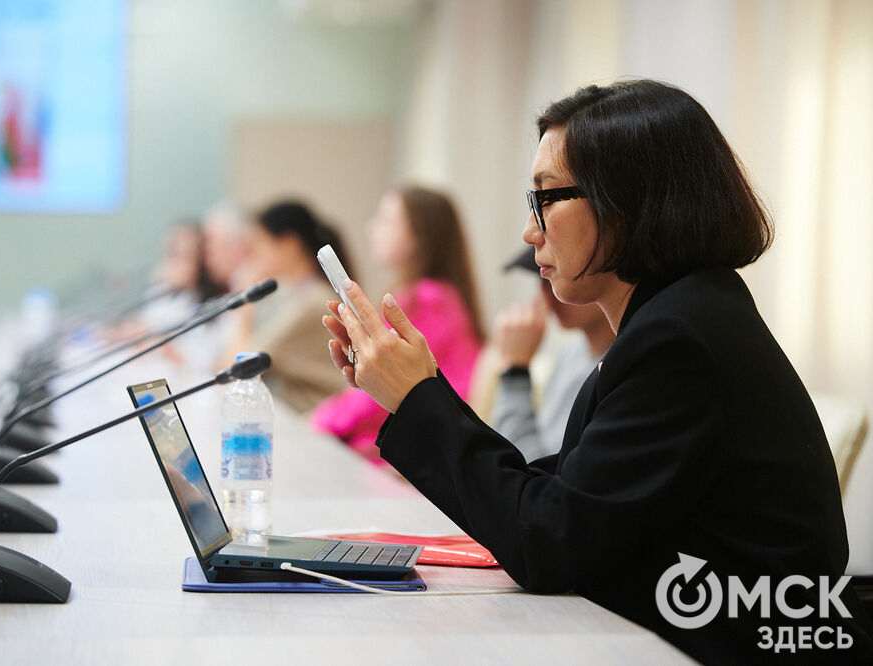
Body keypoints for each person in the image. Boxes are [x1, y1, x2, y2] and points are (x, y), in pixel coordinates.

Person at [320, 80, 873, 663]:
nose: (530, 230)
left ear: (626, 202)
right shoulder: (685, 314)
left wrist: (416, 398)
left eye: (547, 198)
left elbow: (550, 539)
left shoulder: (678, 338)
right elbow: (563, 496)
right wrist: (421, 388)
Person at [310, 186, 483, 464]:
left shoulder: (427, 299)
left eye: (386, 220)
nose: (372, 228)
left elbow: (380, 390)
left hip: (428, 450)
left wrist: (320, 422)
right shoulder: (438, 296)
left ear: (418, 237)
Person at [222, 200, 351, 413]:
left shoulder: (311, 303)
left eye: (260, 245)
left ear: (290, 245)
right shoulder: (294, 295)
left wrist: (245, 309)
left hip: (313, 421)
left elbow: (236, 367)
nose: (255, 257)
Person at [491, 247, 614, 460]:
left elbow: (536, 470)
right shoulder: (572, 353)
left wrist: (515, 373)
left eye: (557, 271)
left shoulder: (617, 367)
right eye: (543, 276)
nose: (549, 292)